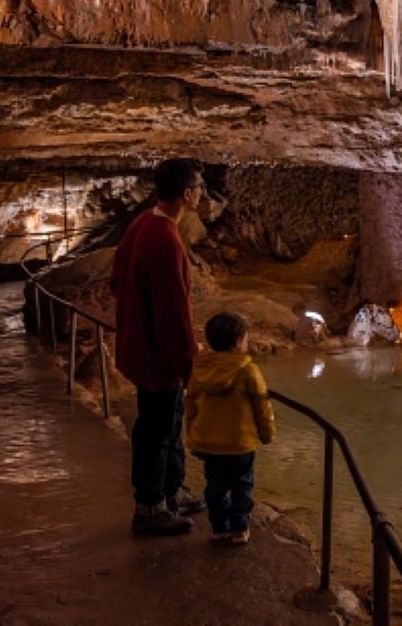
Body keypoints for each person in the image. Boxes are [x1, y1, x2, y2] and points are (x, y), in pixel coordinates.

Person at [110, 158, 208, 536]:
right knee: (157, 430)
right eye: (199, 187)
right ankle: (150, 507)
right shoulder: (166, 240)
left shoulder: (140, 225)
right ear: (187, 193)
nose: (201, 193)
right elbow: (173, 313)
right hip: (158, 358)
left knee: (166, 424)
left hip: (139, 346)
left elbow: (117, 281)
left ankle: (170, 491)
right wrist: (188, 363)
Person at [185, 312, 275, 545]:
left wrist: (192, 436)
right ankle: (238, 528)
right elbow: (262, 405)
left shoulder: (200, 369)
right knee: (242, 485)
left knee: (214, 486)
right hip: (239, 442)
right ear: (238, 342)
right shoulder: (247, 371)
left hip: (209, 443)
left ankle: (218, 527)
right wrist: (267, 434)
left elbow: (191, 403)